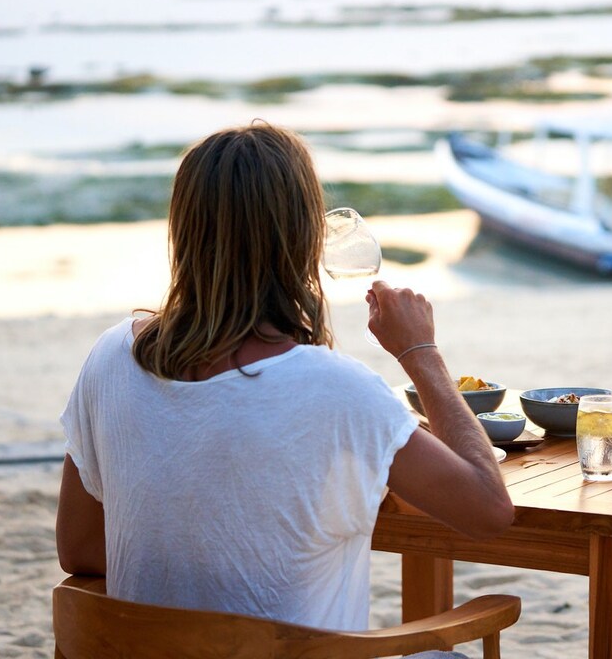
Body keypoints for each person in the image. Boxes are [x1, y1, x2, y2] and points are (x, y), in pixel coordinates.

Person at [55, 122, 514, 639]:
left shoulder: (111, 357)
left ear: (183, 228)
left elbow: (80, 552)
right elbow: (489, 512)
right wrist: (420, 351)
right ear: (302, 236)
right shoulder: (336, 389)